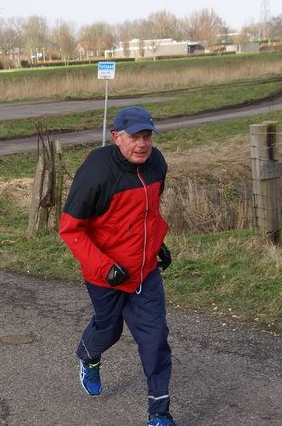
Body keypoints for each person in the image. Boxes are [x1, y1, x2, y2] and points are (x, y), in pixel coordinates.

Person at [59, 106, 175, 426]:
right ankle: (88, 355)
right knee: (108, 331)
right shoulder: (97, 172)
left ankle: (159, 412)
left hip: (145, 272)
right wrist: (106, 266)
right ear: (116, 137)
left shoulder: (157, 164)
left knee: (155, 339)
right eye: (134, 137)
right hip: (105, 274)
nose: (142, 144)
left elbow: (147, 214)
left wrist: (156, 243)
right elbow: (70, 229)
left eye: (147, 136)